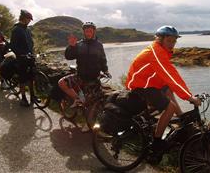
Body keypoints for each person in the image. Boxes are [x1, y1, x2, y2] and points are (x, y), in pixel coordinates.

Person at [125, 25, 201, 155]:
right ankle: (157, 142)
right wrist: (189, 97)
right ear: (160, 39)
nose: (172, 44)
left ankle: (181, 118)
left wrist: (182, 92)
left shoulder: (160, 50)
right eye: (169, 41)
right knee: (170, 107)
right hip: (141, 85)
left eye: (174, 41)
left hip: (149, 81)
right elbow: (172, 75)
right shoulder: (156, 53)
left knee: (168, 89)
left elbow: (167, 77)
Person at [58, 21, 111, 108]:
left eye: (90, 31)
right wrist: (71, 47)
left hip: (94, 77)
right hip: (80, 76)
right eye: (87, 31)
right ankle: (77, 99)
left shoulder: (99, 45)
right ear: (84, 32)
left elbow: (103, 59)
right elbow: (69, 57)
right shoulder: (78, 44)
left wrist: (106, 70)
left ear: (94, 32)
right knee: (61, 82)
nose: (89, 33)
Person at [10, 9, 38, 107]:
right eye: (28, 19)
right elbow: (12, 45)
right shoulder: (16, 29)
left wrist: (33, 52)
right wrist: (20, 54)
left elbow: (31, 43)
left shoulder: (27, 29)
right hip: (21, 58)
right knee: (22, 78)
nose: (29, 21)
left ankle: (33, 96)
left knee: (31, 77)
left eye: (30, 19)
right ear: (23, 18)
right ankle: (23, 98)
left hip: (30, 56)